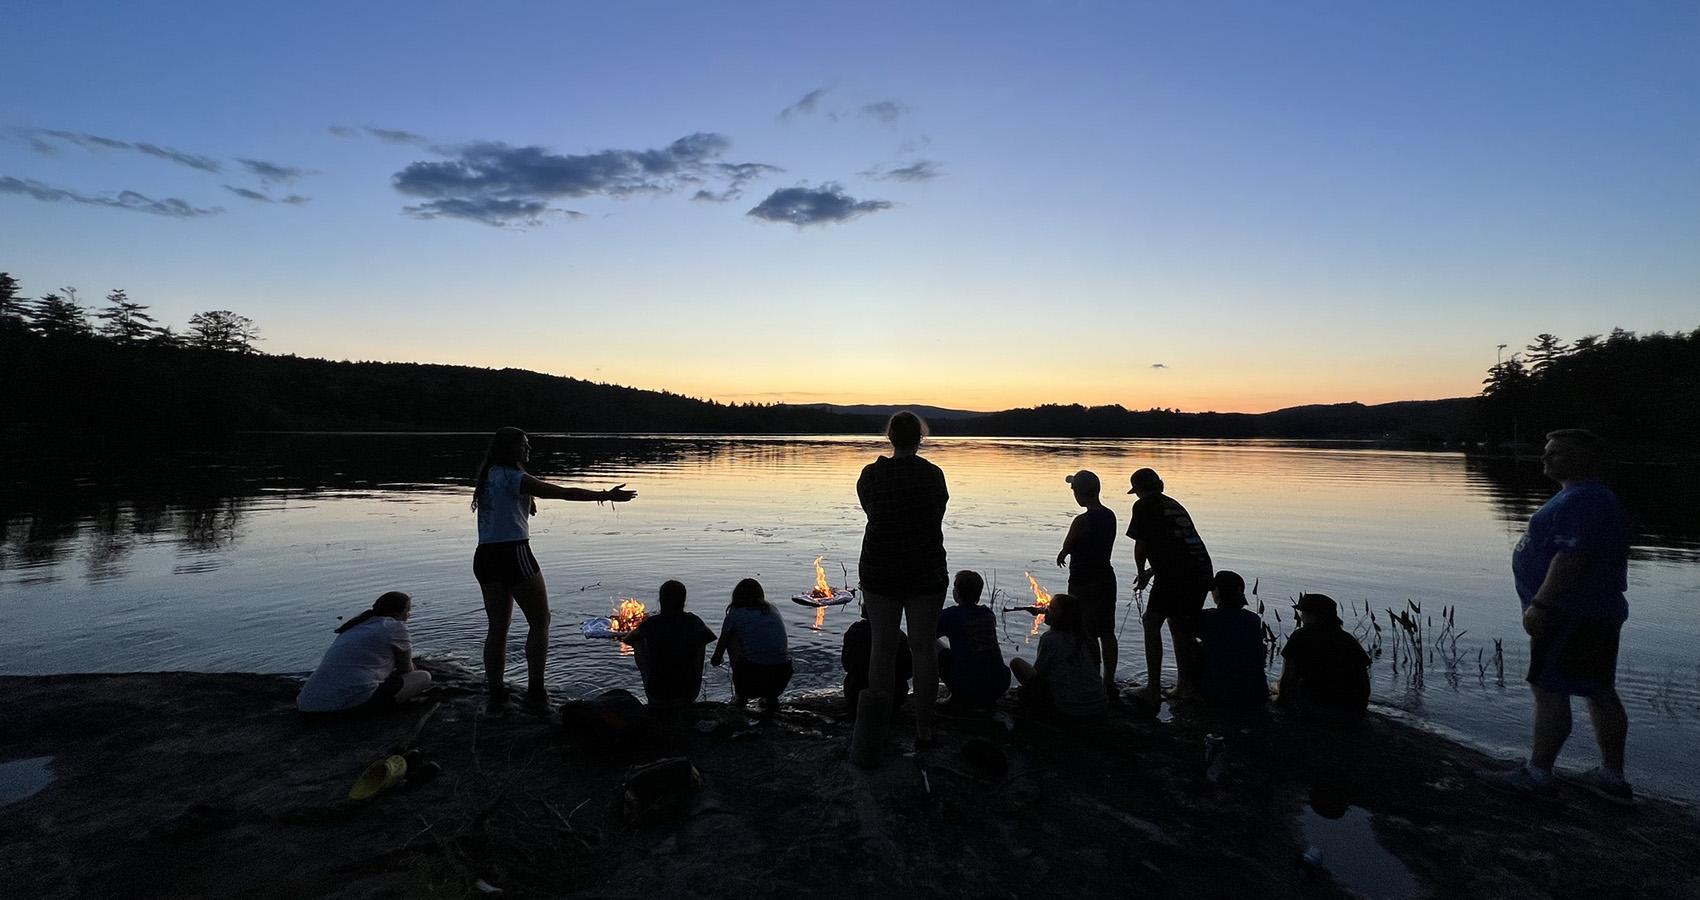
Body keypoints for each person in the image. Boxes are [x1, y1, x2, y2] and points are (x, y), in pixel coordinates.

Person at [1489, 428, 1633, 802]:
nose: (1545, 458)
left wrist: (1541, 604)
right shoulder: (1581, 497)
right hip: (1589, 613)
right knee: (1598, 691)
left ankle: (1539, 773)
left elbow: (1570, 558)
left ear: (1582, 458)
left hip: (1571, 614)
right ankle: (1611, 776)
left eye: (1555, 453)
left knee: (1550, 689)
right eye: (1546, 451)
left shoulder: (1584, 500)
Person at [472, 427, 635, 709]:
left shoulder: (489, 476)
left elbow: (508, 505)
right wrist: (605, 494)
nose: (528, 449)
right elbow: (564, 492)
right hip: (514, 553)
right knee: (540, 621)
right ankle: (536, 690)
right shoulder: (516, 477)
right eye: (523, 445)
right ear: (509, 448)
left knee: (497, 627)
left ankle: (496, 692)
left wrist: (528, 502)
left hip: (485, 556)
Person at [855, 411, 950, 749]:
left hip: (880, 569)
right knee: (924, 649)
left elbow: (871, 511)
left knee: (882, 649)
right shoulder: (933, 475)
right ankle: (924, 727)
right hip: (925, 569)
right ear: (920, 439)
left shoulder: (870, 475)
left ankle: (878, 727)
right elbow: (936, 513)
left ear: (889, 437)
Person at [1125, 467, 1213, 704]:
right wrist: (1154, 571)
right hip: (1202, 571)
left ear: (1139, 490)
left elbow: (1141, 544)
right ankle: (1186, 686)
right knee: (1180, 627)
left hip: (1178, 575)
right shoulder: (1173, 505)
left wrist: (1141, 572)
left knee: (1151, 622)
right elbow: (1179, 544)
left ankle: (1152, 689)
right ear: (1160, 484)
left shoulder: (1144, 505)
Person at [297, 591, 432, 715]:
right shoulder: (396, 627)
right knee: (423, 677)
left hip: (306, 705)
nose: (409, 614)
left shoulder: (355, 627)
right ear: (399, 612)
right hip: (344, 707)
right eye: (408, 610)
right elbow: (406, 670)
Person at [1057, 470, 1119, 695]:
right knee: (1107, 630)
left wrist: (1063, 553)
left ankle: (1090, 677)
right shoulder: (1110, 515)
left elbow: (1069, 544)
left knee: (1086, 631)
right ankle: (1109, 680)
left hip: (1083, 581)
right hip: (1105, 577)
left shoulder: (1081, 520)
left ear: (1079, 494)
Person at [1010, 593, 1107, 719]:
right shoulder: (1088, 640)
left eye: (1051, 609)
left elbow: (1039, 674)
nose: (1046, 610)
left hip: (1069, 709)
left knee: (1016, 663)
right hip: (1100, 705)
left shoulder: (1050, 639)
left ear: (1063, 617)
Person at [1275, 594, 1370, 722]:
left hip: (1317, 707)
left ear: (1313, 615)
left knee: (1275, 688)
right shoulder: (1348, 639)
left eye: (1303, 612)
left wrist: (1281, 701)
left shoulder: (1300, 636)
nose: (1301, 616)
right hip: (1352, 709)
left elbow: (1289, 673)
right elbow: (1364, 680)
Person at [622, 580, 716, 708]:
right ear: (683, 601)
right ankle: (692, 685)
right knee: (701, 639)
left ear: (660, 600)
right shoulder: (693, 621)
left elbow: (628, 639)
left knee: (638, 641)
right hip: (689, 691)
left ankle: (649, 682)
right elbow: (710, 637)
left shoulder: (652, 623)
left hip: (657, 691)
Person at [711, 578, 793, 709]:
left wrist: (717, 658)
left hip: (752, 678)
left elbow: (716, 658)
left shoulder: (735, 614)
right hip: (781, 676)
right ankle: (770, 699)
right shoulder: (772, 610)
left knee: (730, 636)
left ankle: (741, 697)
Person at [936, 570, 1012, 706]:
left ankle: (955, 696)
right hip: (1000, 683)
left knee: (931, 644)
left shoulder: (951, 615)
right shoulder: (987, 613)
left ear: (957, 593)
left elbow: (929, 633)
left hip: (967, 684)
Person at [1196, 571, 1269, 708]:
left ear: (1217, 592)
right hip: (1257, 694)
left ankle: (1184, 686)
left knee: (1185, 636)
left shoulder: (1208, 618)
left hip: (1218, 694)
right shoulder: (1253, 619)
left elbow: (1181, 621)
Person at [843, 606, 912, 719]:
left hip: (855, 695)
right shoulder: (899, 635)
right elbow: (908, 671)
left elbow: (846, 664)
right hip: (894, 698)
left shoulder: (854, 632)